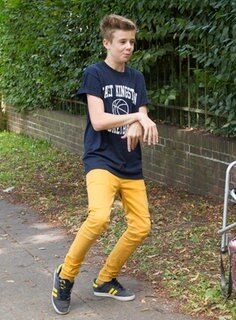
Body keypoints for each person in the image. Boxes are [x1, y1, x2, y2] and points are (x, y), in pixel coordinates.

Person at [51, 14, 159, 315]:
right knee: (98, 218)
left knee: (141, 227)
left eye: (132, 42)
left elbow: (142, 114)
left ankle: (105, 278)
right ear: (107, 43)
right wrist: (137, 117)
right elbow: (98, 121)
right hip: (100, 159)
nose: (128, 47)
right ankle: (66, 276)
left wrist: (140, 120)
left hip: (130, 163)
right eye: (122, 42)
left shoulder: (136, 78)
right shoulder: (95, 74)